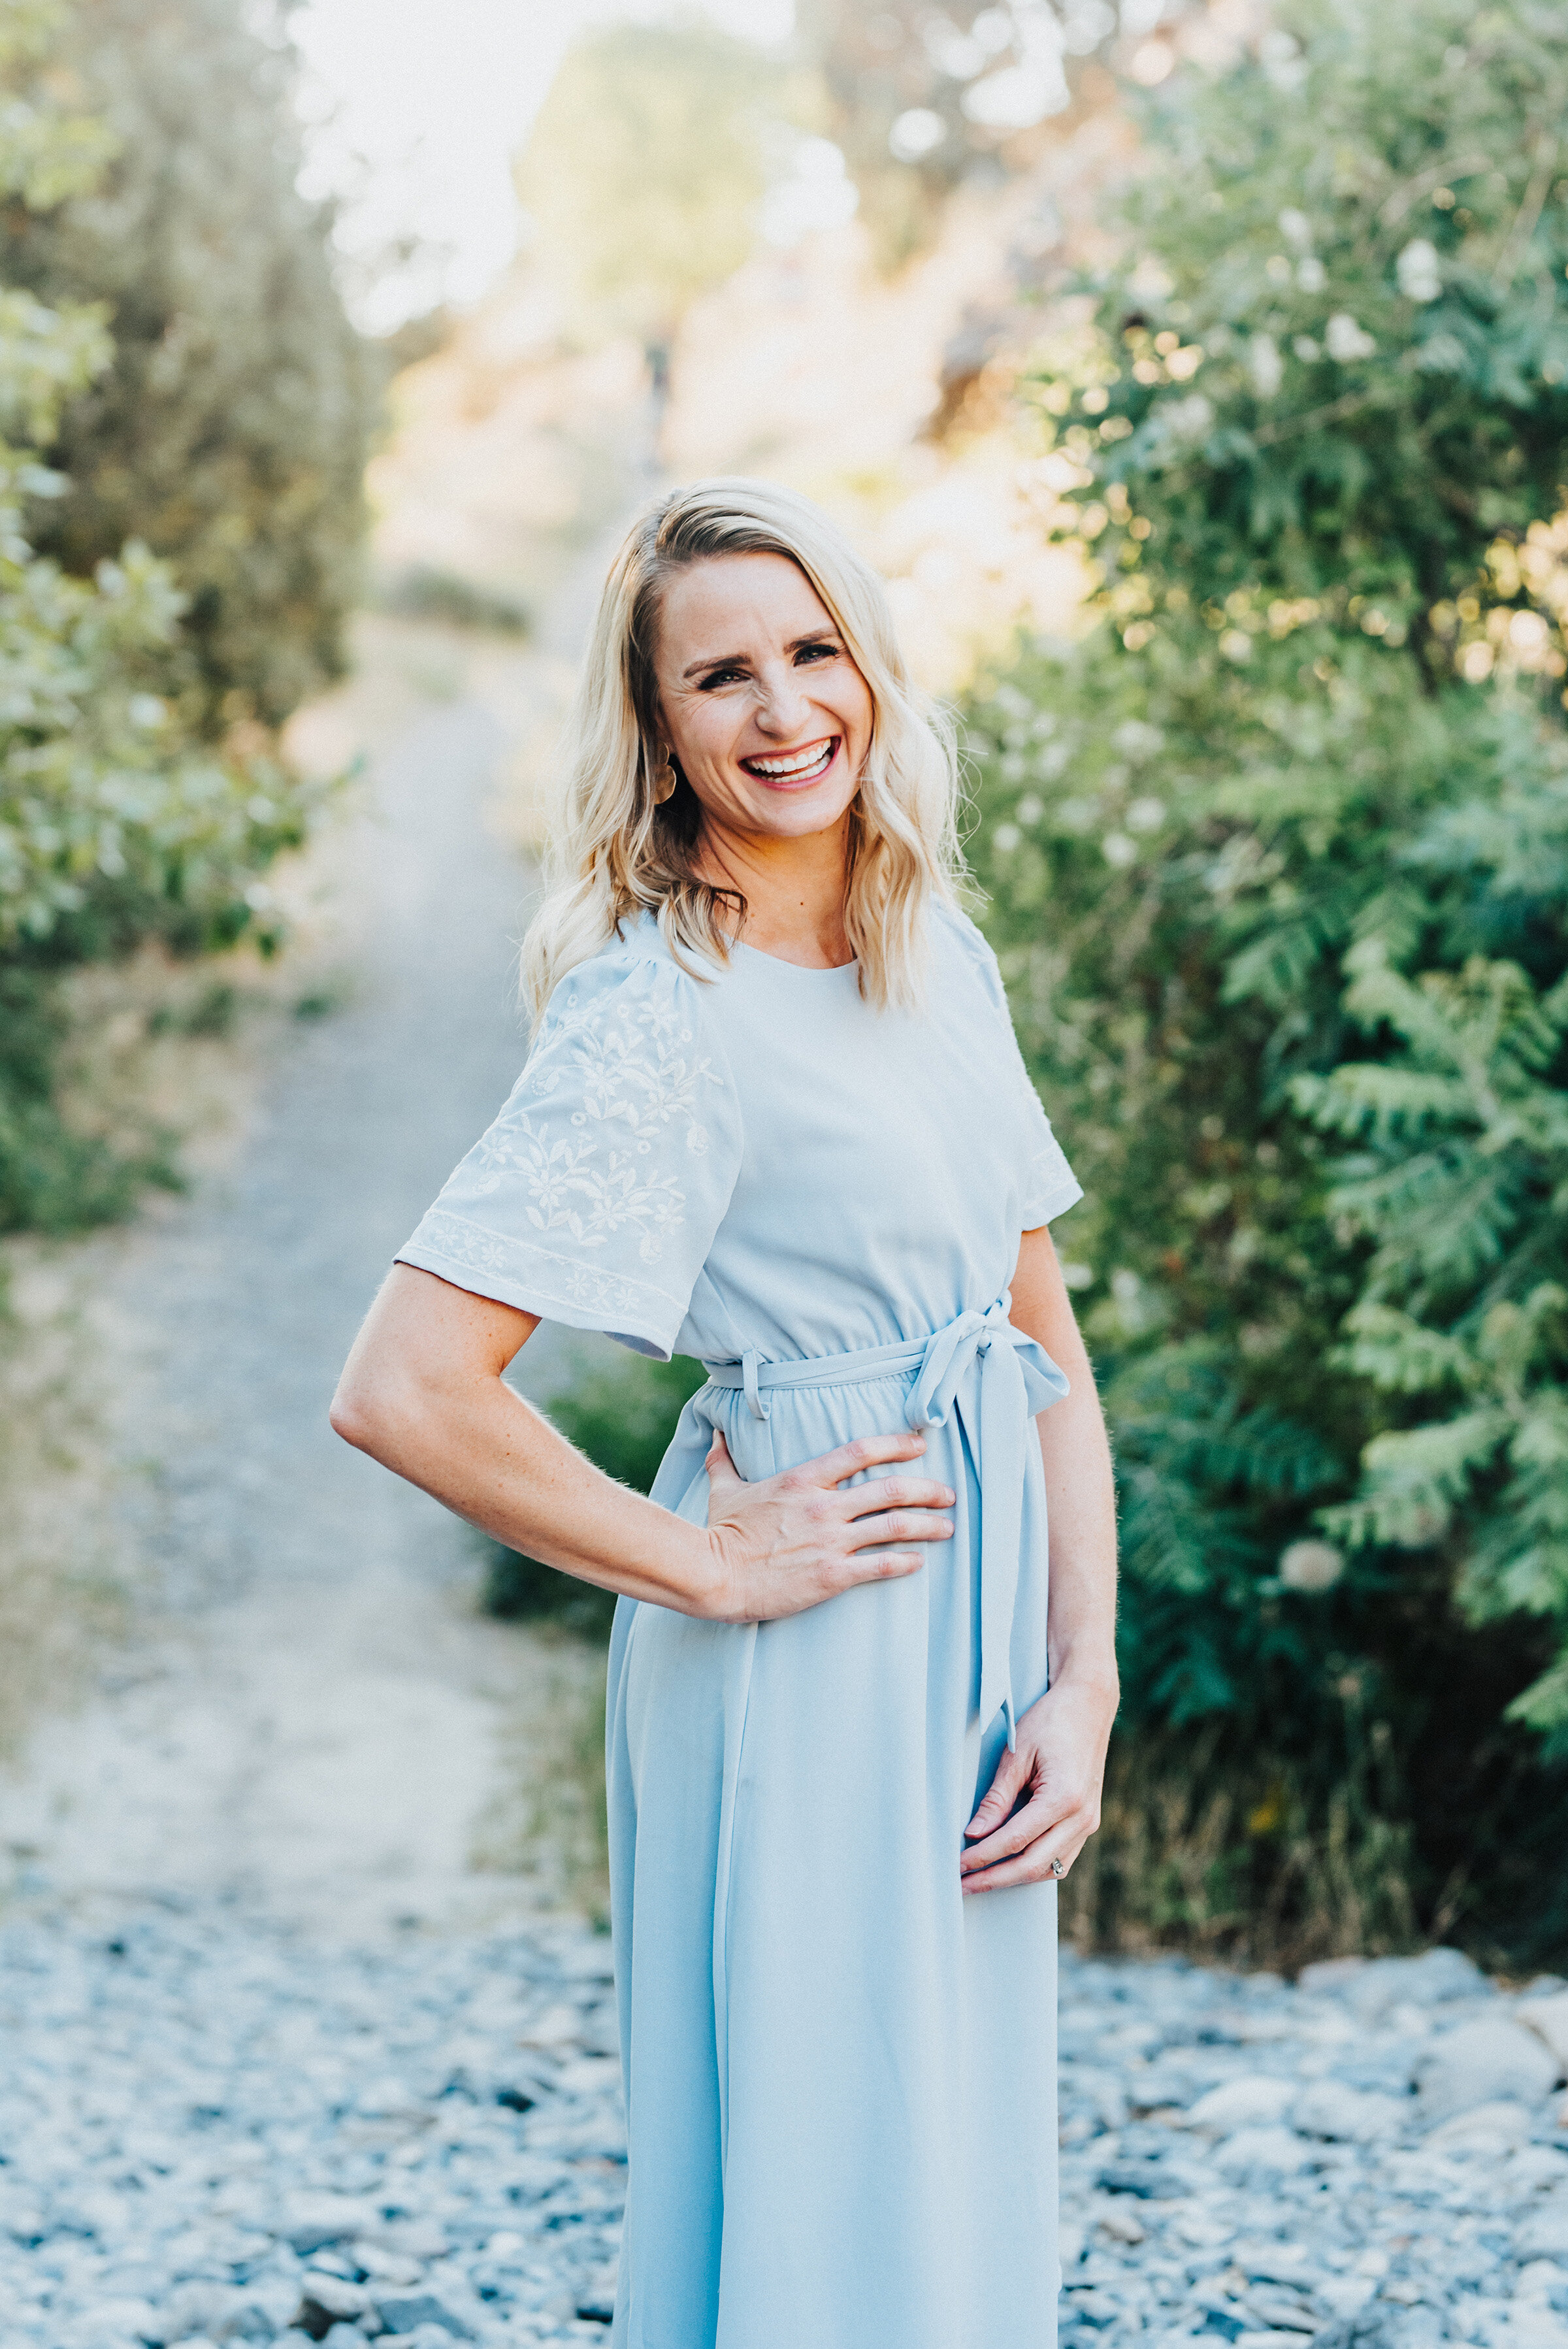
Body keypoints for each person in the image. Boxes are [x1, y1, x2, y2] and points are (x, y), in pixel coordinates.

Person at [331, 477, 1119, 2349]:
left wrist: (1085, 1679)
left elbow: (1050, 1366)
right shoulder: (655, 1011)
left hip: (983, 1654)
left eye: (812, 651)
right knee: (824, 2170)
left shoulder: (937, 955)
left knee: (945, 2171)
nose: (783, 711)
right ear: (659, 731)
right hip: (803, 1654)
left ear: (869, 667)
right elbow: (405, 1384)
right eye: (722, 677)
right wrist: (696, 1557)